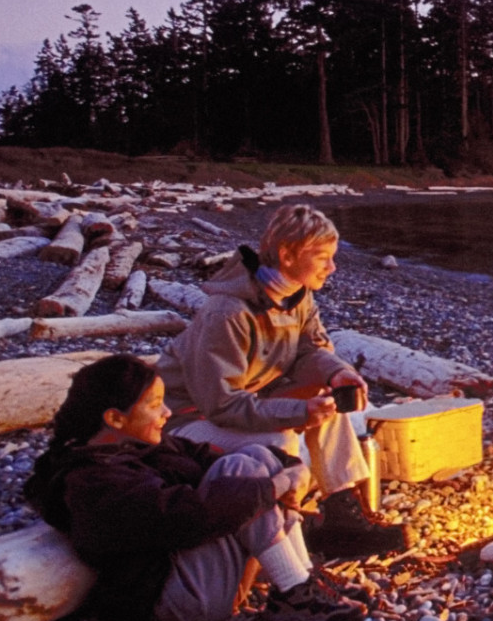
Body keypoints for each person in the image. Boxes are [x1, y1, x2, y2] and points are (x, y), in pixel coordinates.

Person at [23, 354, 368, 621]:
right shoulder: (92, 482)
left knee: (255, 457)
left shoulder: (142, 445)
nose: (167, 413)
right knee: (243, 473)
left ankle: (301, 582)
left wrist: (293, 470)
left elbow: (211, 459)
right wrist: (275, 486)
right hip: (172, 599)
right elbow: (190, 515)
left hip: (193, 574)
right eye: (155, 405)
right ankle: (294, 592)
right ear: (115, 418)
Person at [154, 204, 405, 559]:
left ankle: (341, 518)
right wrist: (299, 412)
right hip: (186, 420)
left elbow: (309, 349)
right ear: (287, 255)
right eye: (323, 258)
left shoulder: (297, 296)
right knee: (280, 439)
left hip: (245, 399)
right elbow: (221, 405)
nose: (332, 267)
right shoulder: (227, 313)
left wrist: (336, 372)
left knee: (329, 402)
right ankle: (287, 534)